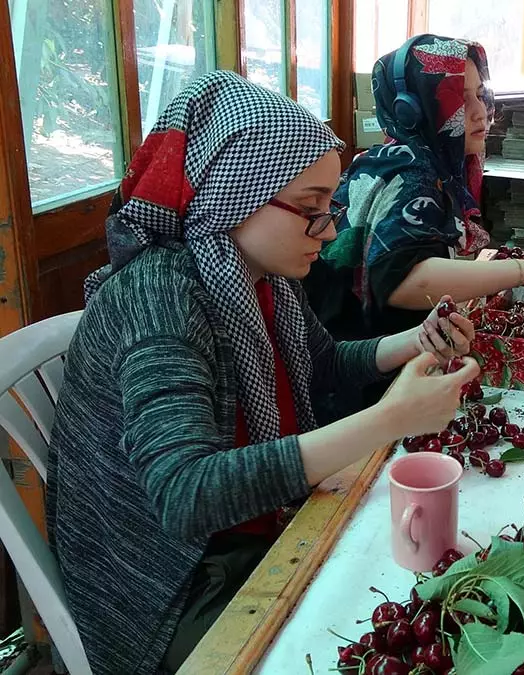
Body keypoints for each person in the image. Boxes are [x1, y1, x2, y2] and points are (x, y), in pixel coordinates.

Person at [45, 71, 480, 675]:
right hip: (171, 582)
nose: (328, 232)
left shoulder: (262, 272)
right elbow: (187, 494)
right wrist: (390, 419)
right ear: (235, 194)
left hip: (245, 532)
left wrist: (415, 341)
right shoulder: (164, 296)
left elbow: (323, 365)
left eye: (330, 208)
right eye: (310, 209)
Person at [307, 35, 524, 345]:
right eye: (459, 99)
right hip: (363, 369)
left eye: (478, 94)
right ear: (413, 110)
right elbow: (401, 280)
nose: (480, 112)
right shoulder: (412, 173)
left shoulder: (403, 158)